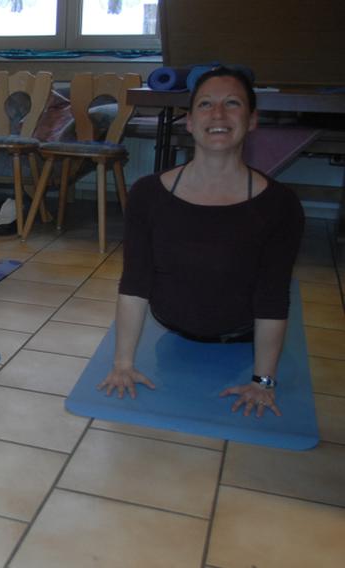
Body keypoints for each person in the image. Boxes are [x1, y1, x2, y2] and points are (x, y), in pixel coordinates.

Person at [98, 66, 304, 418]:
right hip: (173, 327)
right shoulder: (148, 193)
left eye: (233, 103)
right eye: (206, 104)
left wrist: (263, 381)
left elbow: (272, 298)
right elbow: (134, 283)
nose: (219, 114)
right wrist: (122, 364)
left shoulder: (280, 205)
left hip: (240, 332)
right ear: (190, 122)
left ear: (252, 120)